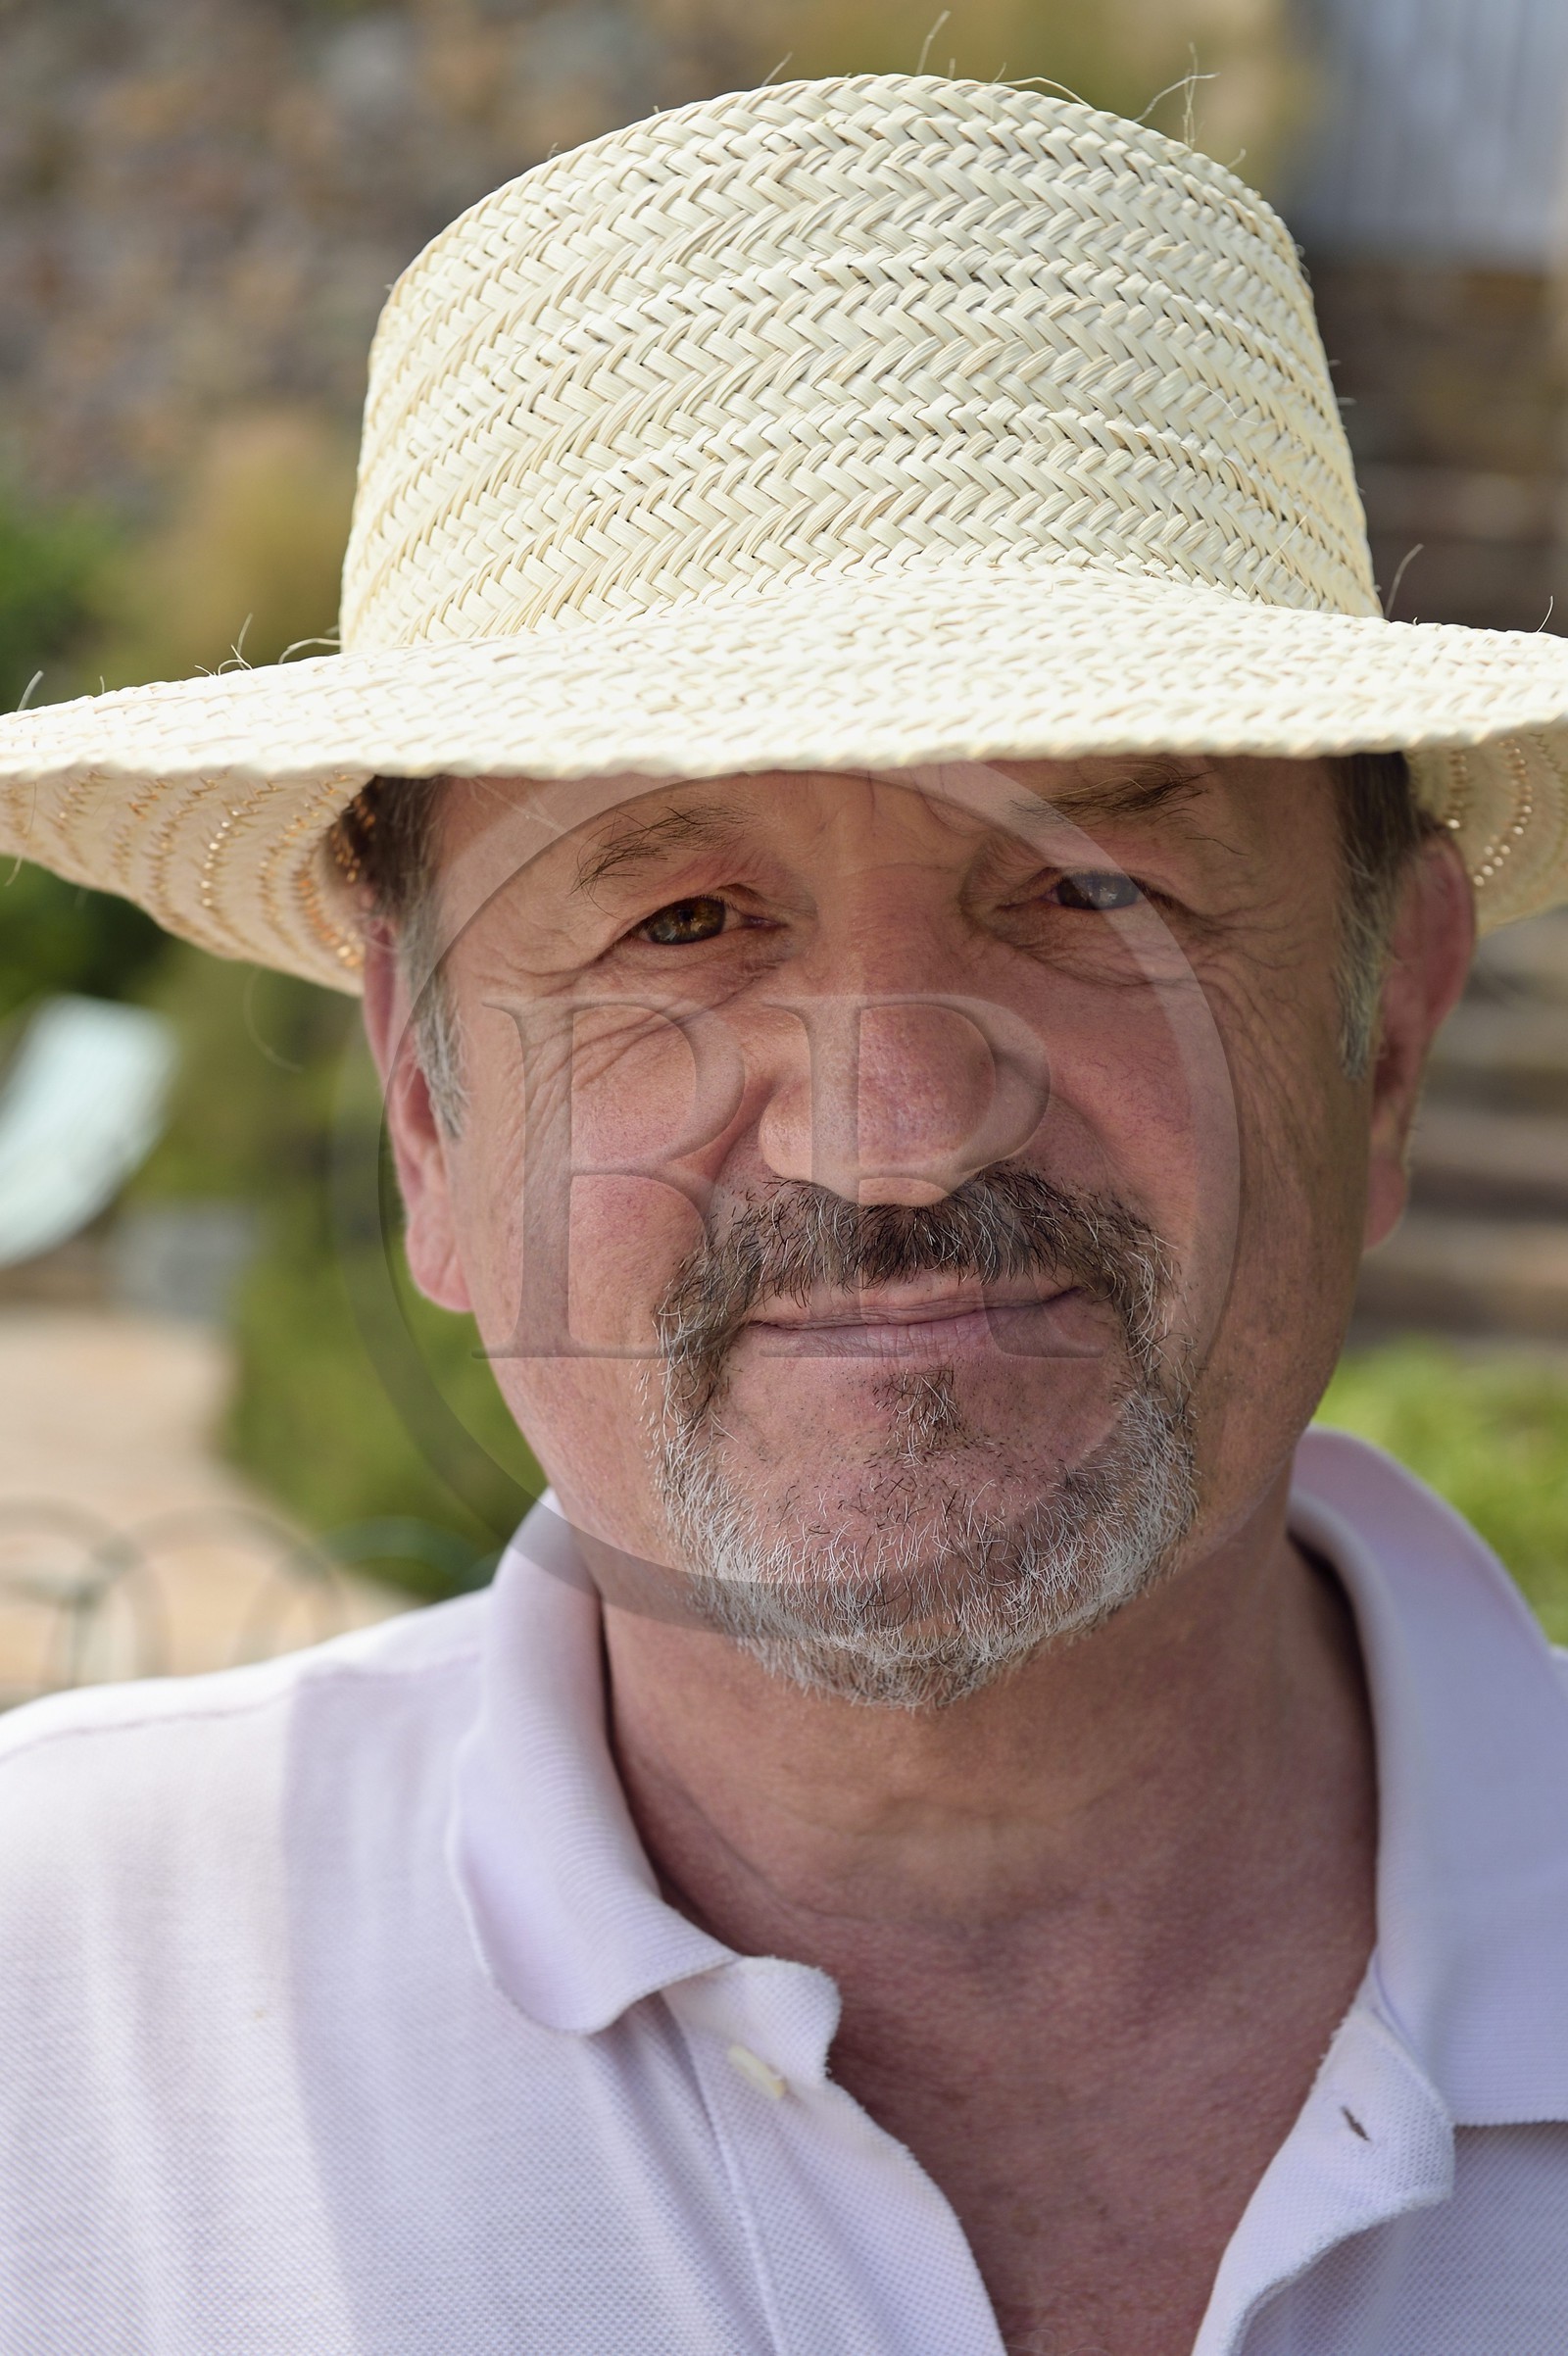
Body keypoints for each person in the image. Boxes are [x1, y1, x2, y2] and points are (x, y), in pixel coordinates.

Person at [1, 72, 1566, 2356]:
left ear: (1384, 1032)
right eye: (684, 921)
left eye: (1089, 892)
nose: (894, 1131)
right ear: (425, 1107)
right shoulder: (49, 2009)